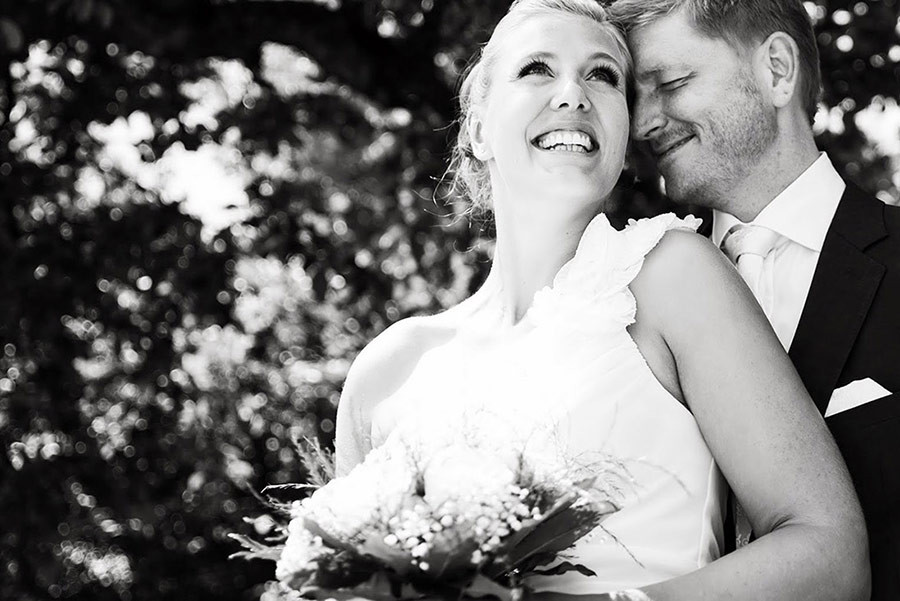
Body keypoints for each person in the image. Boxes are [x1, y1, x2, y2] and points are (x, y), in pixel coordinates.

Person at [335, 0, 868, 598]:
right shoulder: (386, 371)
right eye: (537, 68)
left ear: (621, 136)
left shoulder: (673, 275)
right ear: (479, 127)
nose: (573, 94)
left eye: (603, 76)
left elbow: (830, 556)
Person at [612, 0, 900, 597]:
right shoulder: (619, 308)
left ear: (776, 69)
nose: (642, 124)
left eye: (670, 83)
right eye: (634, 98)